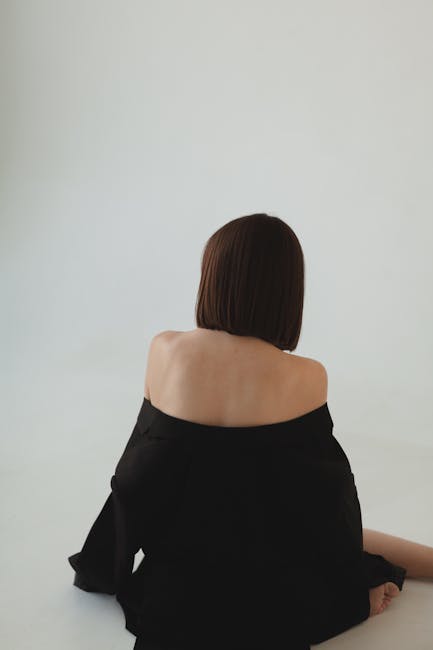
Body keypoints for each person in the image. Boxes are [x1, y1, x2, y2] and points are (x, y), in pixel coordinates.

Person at [68, 213, 433, 649]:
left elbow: (135, 479)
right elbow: (326, 511)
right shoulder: (306, 376)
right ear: (287, 293)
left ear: (213, 279)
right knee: (348, 543)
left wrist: (104, 565)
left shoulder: (166, 351)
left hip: (176, 590)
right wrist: (351, 591)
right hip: (271, 590)